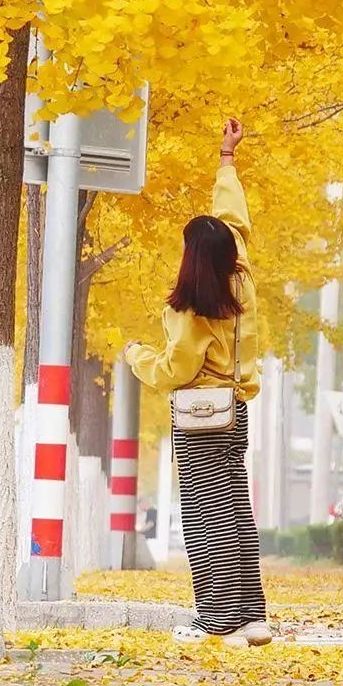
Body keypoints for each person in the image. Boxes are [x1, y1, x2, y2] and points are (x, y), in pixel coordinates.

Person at [125, 119, 271, 647]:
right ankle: (252, 617)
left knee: (205, 520)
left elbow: (175, 370)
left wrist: (137, 356)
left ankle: (216, 621)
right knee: (235, 512)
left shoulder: (193, 308)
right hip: (235, 410)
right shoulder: (241, 279)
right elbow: (234, 219)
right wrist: (225, 157)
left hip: (197, 419)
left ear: (192, 260)